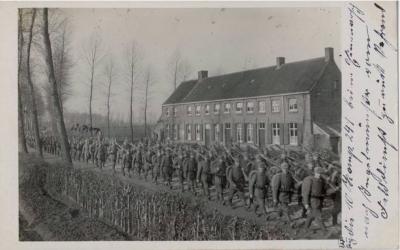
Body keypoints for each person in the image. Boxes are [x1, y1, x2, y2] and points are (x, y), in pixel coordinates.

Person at [302, 166, 327, 231]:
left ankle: (305, 228)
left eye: (321, 173)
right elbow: (306, 192)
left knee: (311, 215)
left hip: (318, 200)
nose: (319, 175)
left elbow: (322, 192)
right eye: (318, 173)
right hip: (312, 200)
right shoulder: (310, 180)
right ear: (315, 173)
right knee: (318, 215)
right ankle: (324, 230)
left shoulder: (320, 181)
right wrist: (306, 203)